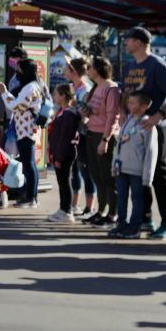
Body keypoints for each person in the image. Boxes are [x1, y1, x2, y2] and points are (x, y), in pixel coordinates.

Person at [120, 26, 166, 240]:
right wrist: (123, 115)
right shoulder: (129, 65)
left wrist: (159, 116)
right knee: (139, 174)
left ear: (138, 41)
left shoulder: (157, 64)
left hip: (156, 128)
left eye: (128, 39)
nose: (125, 43)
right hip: (134, 127)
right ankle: (146, 218)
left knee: (158, 174)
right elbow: (125, 93)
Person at [109, 91, 158, 239]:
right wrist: (114, 164)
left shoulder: (148, 124)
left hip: (137, 170)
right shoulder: (128, 120)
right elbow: (119, 145)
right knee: (121, 197)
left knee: (137, 199)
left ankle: (135, 226)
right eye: (129, 102)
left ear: (144, 106)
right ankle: (121, 224)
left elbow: (151, 151)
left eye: (132, 103)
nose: (129, 105)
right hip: (121, 167)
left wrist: (147, 177)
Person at [0, 59, 43, 208]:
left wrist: (4, 93)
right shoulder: (34, 85)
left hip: (26, 130)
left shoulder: (30, 88)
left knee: (28, 165)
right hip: (26, 129)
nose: (17, 73)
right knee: (29, 164)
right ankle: (30, 197)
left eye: (19, 70)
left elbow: (15, 107)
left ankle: (31, 198)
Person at [83, 57, 122, 226]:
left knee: (108, 177)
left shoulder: (111, 89)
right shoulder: (95, 88)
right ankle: (101, 210)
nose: (87, 69)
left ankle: (112, 213)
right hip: (92, 133)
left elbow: (113, 116)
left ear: (97, 69)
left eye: (89, 66)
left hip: (104, 136)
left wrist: (105, 140)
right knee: (97, 176)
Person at [64, 57, 95, 218]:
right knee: (74, 170)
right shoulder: (71, 87)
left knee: (86, 170)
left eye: (66, 69)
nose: (63, 71)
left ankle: (90, 207)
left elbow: (88, 115)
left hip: (83, 134)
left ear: (74, 72)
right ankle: (74, 204)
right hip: (71, 133)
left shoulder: (86, 91)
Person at [47, 84, 80, 223]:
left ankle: (67, 211)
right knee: (62, 183)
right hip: (59, 153)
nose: (54, 97)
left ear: (63, 96)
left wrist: (59, 157)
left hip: (65, 154)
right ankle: (63, 209)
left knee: (65, 182)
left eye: (56, 94)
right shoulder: (62, 111)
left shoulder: (69, 114)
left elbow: (65, 138)